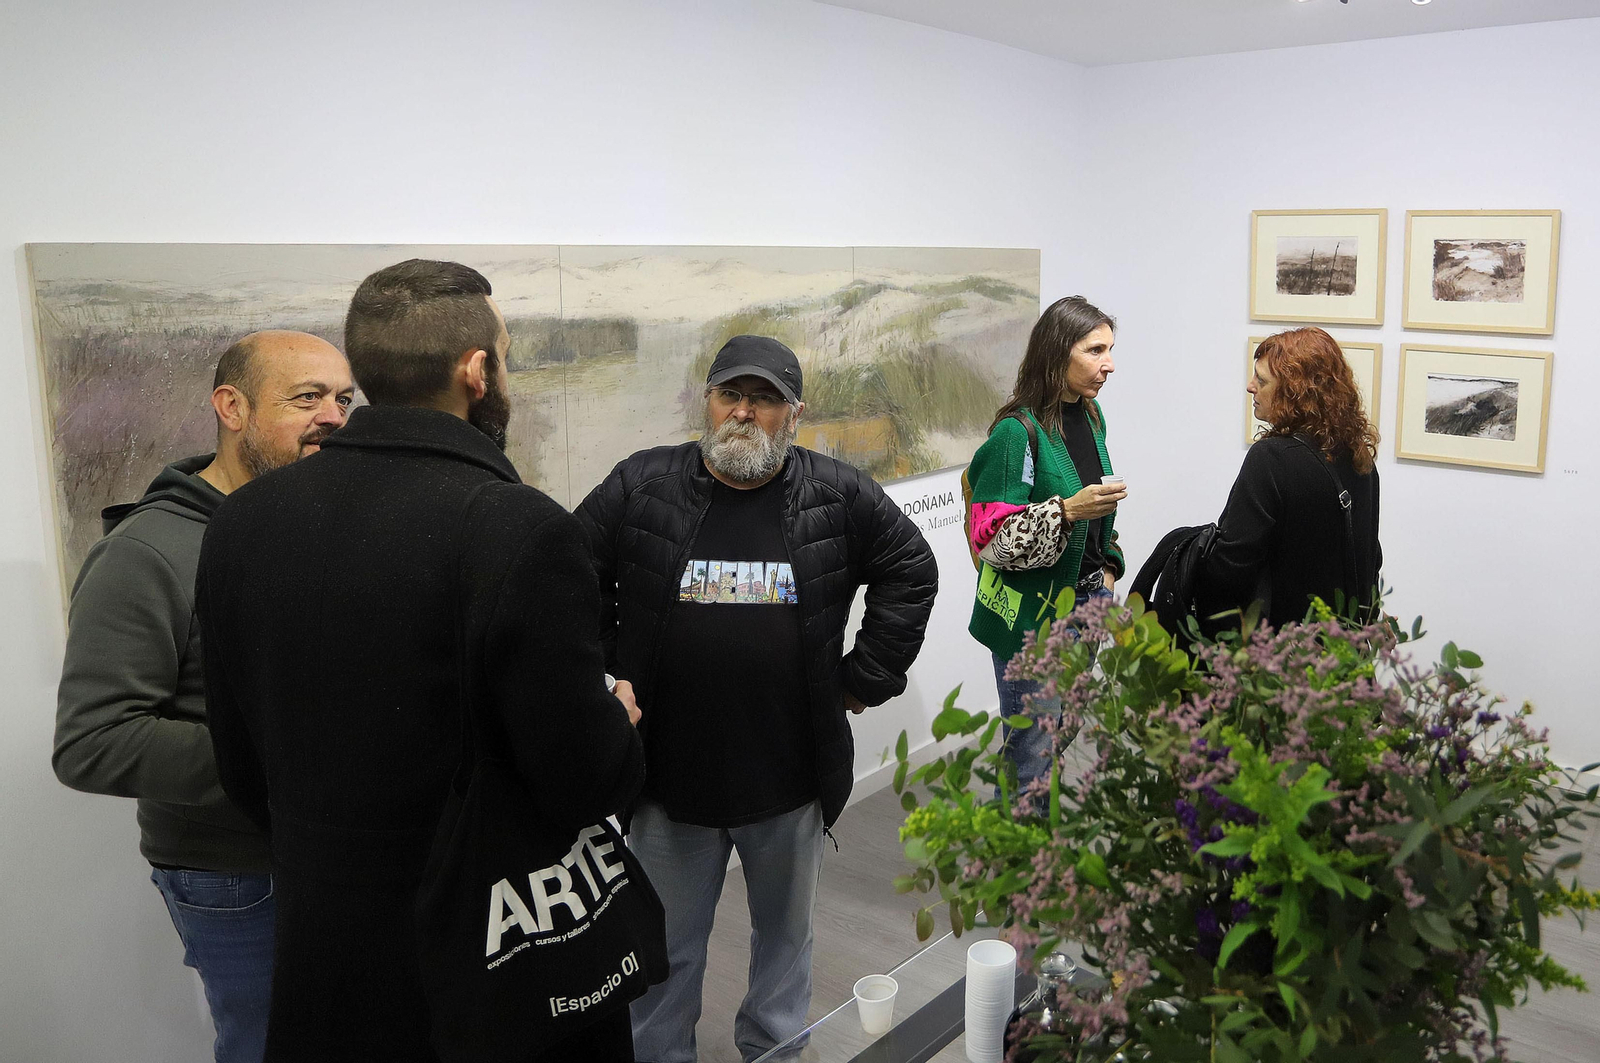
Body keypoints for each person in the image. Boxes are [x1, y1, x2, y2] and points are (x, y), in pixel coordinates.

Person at [195, 260, 645, 1062]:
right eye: (504, 356)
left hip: (326, 966)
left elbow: (241, 766)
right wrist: (617, 715)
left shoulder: (242, 520)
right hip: (493, 975)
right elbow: (588, 778)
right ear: (478, 372)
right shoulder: (517, 530)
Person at [574, 334, 937, 1063]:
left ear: (793, 414)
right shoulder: (641, 484)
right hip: (666, 780)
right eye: (730, 395)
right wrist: (611, 667)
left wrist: (865, 677)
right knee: (662, 950)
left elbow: (911, 568)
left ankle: (773, 1051)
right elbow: (568, 571)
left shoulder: (837, 493)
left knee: (784, 946)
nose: (744, 412)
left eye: (764, 398)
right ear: (706, 401)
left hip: (788, 776)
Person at [53, 330, 355, 1063]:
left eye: (345, 398)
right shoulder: (146, 552)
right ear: (232, 407)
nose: (335, 416)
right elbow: (92, 741)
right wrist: (285, 759)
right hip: (235, 875)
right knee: (268, 1046)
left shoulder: (321, 525)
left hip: (334, 854)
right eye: (307, 397)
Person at [964, 296, 1128, 791]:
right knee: (1031, 751)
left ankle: (1042, 851)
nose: (1109, 364)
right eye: (1095, 350)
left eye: (1111, 350)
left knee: (1061, 736)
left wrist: (1110, 567)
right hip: (1035, 615)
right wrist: (1068, 511)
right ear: (1058, 353)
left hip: (1087, 601)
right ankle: (1015, 858)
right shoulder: (1017, 434)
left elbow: (1102, 513)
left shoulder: (1092, 416)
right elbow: (990, 537)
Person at [1197, 326, 1382, 629]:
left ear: (1295, 393)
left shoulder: (1271, 459)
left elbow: (1231, 564)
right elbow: (1369, 559)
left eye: (1262, 380)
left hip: (1283, 656)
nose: (1250, 386)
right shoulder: (1358, 457)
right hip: (1345, 651)